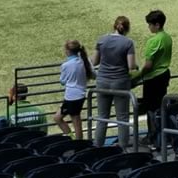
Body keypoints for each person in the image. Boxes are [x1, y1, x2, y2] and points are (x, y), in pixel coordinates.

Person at [93, 16, 137, 148]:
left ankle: (97, 147)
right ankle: (123, 149)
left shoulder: (101, 40)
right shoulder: (128, 43)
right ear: (127, 28)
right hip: (120, 83)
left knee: (102, 117)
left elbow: (94, 62)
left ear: (114, 26)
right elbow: (131, 66)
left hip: (102, 82)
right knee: (122, 118)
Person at [134, 9, 172, 132]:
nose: (149, 27)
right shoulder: (168, 38)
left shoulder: (153, 41)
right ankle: (160, 133)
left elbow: (148, 65)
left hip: (153, 79)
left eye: (150, 24)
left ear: (157, 25)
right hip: (164, 75)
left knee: (151, 108)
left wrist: (138, 76)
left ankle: (152, 135)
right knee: (160, 106)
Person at [57, 40, 92, 138]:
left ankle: (77, 143)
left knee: (75, 121)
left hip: (71, 97)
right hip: (78, 95)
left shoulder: (66, 65)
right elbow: (93, 74)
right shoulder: (84, 61)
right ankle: (73, 138)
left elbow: (62, 81)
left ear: (67, 51)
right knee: (58, 117)